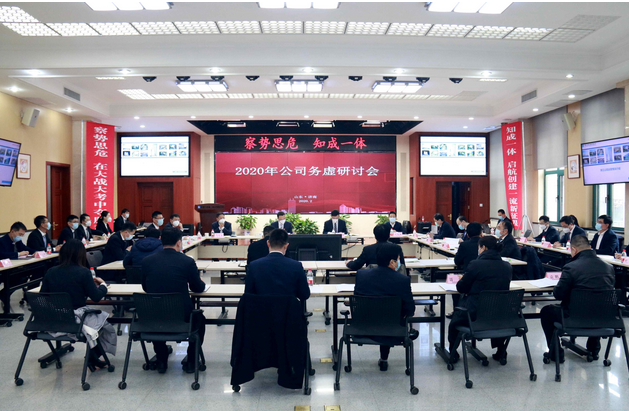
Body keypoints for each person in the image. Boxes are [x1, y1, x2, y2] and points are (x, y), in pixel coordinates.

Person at [540, 235, 615, 362]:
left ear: (574, 249)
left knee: (546, 312)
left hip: (574, 317)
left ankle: (556, 353)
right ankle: (593, 349)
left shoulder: (571, 267)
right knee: (597, 303)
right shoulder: (609, 267)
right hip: (603, 317)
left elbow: (559, 294)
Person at [142, 228, 207, 374]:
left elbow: (145, 288)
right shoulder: (187, 261)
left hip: (153, 317)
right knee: (200, 320)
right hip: (182, 317)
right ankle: (191, 361)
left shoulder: (147, 261)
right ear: (179, 243)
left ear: (161, 241)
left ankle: (161, 359)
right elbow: (197, 288)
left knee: (157, 314)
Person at [40, 239, 112, 370]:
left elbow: (42, 296)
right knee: (104, 324)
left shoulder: (51, 271)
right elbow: (96, 297)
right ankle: (93, 358)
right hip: (76, 319)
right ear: (81, 254)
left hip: (53, 319)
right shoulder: (83, 272)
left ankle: (92, 358)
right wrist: (103, 285)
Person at [448, 236, 512, 364]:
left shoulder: (475, 264)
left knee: (455, 322)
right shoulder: (507, 266)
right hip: (499, 315)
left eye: (479, 247)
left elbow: (461, 288)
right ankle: (501, 350)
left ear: (483, 248)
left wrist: (462, 279)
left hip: (474, 314)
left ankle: (453, 352)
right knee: (493, 311)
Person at [354, 243, 415, 371]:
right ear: (392, 262)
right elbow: (410, 310)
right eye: (398, 259)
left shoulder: (361, 275)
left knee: (380, 313)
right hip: (393, 329)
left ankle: (383, 359)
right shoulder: (403, 280)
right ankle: (384, 358)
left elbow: (357, 301)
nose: (399, 262)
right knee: (387, 315)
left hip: (362, 327)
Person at [245, 229, 310, 302]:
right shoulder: (296, 266)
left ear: (268, 243)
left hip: (262, 308)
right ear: (286, 246)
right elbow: (305, 294)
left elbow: (248, 294)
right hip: (288, 308)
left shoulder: (254, 266)